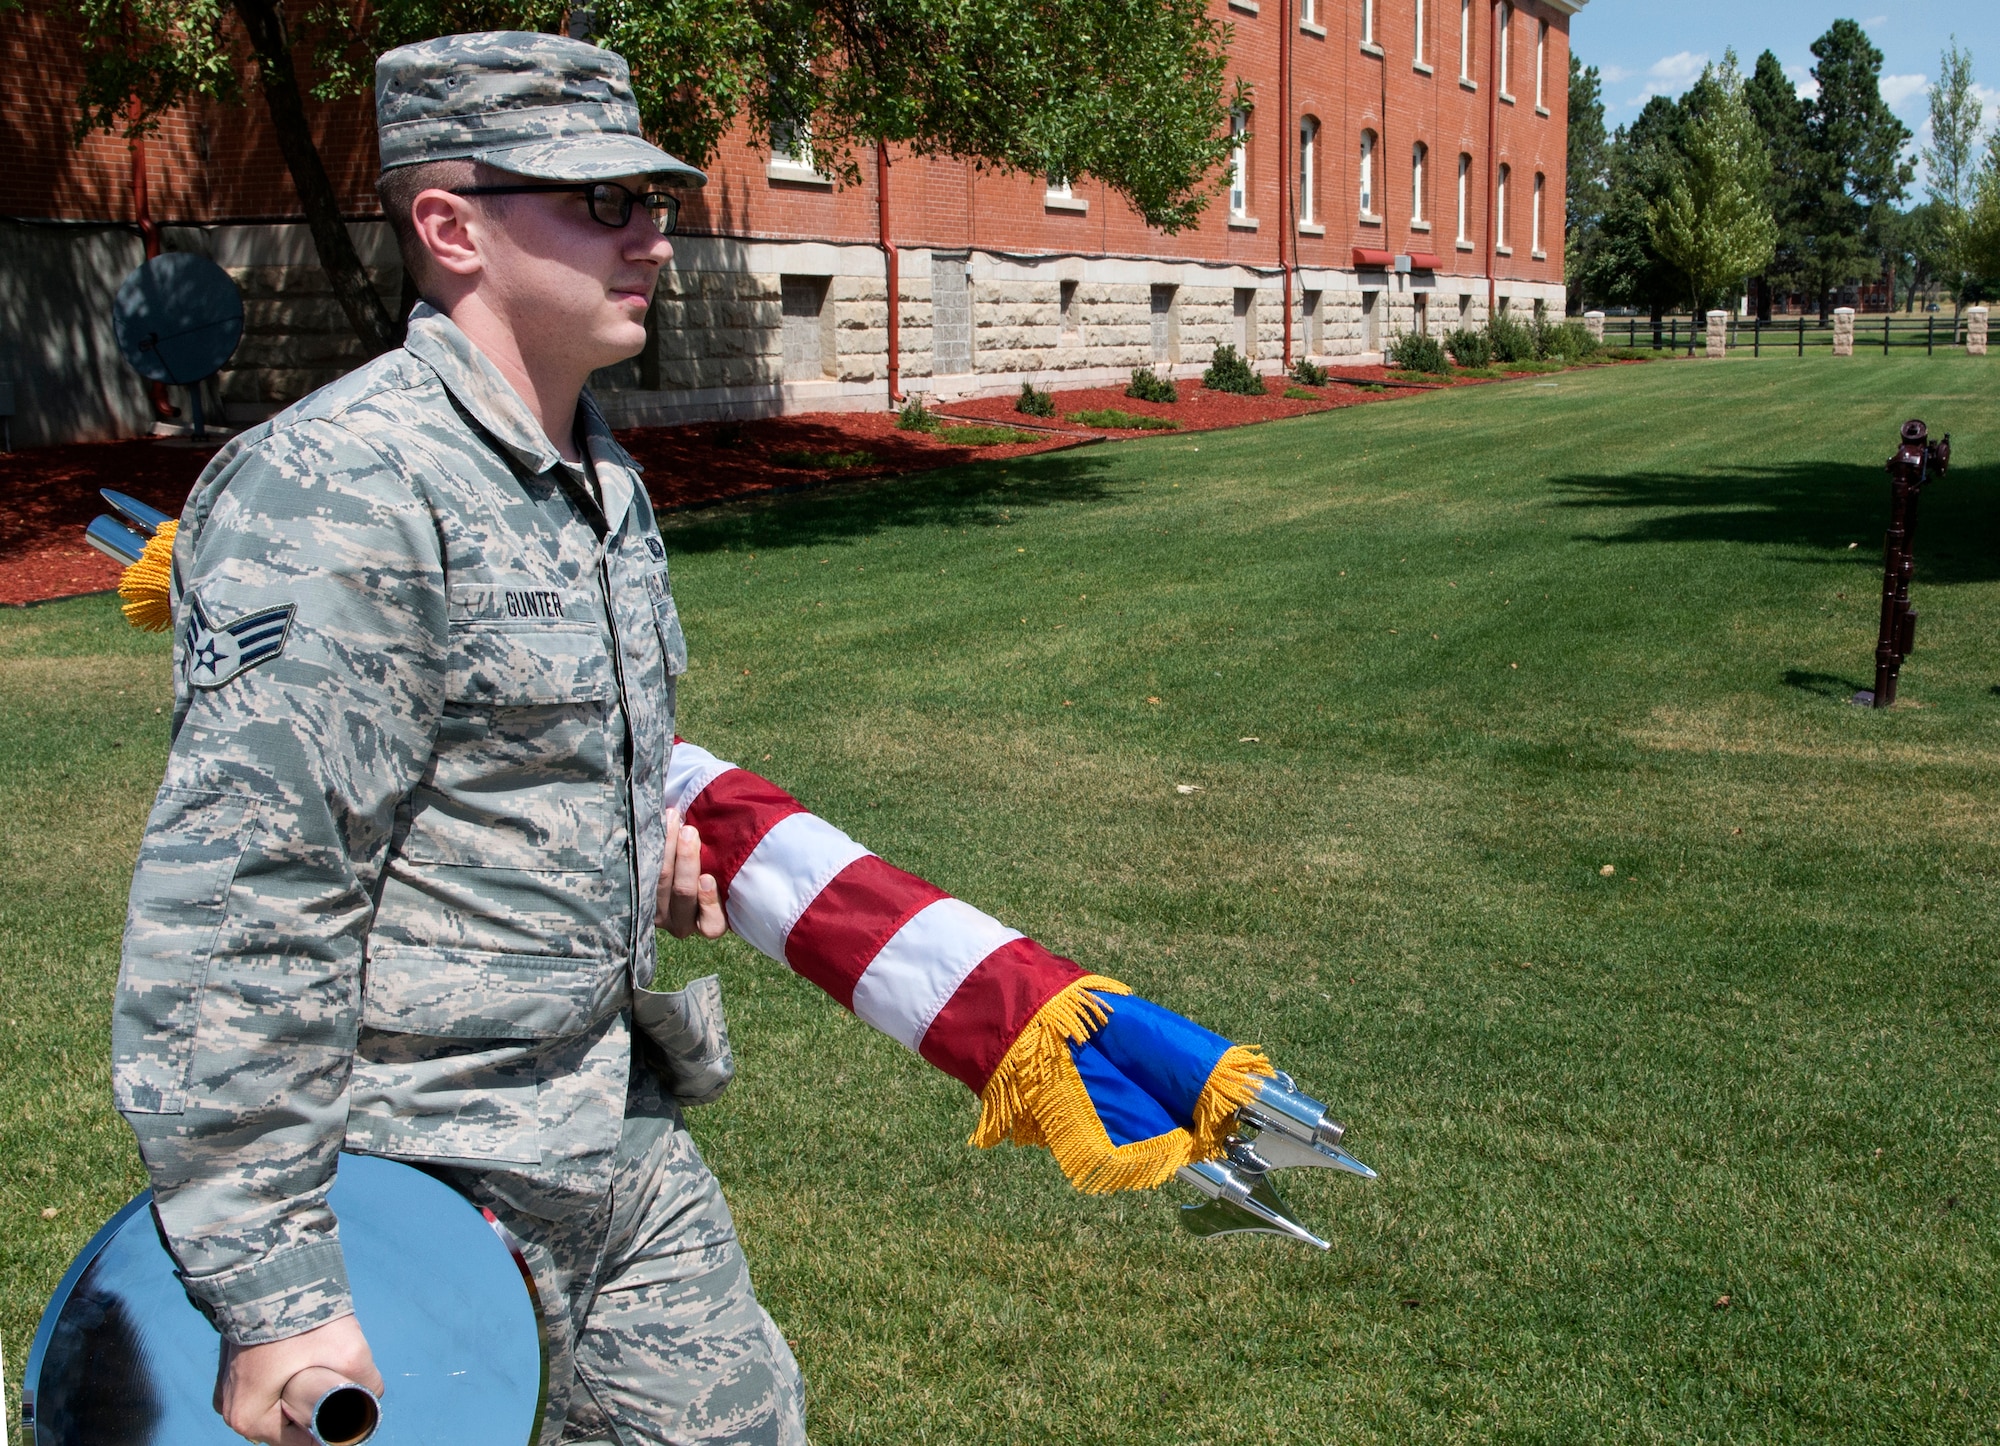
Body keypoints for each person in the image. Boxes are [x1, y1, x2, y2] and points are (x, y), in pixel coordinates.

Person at [112, 32, 799, 1446]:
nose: (653, 237)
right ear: (449, 225)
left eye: (654, 200)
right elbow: (248, 902)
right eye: (600, 201)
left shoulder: (596, 471)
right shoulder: (340, 488)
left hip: (613, 1116)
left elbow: (517, 756)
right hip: (420, 1171)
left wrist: (635, 853)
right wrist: (275, 1289)